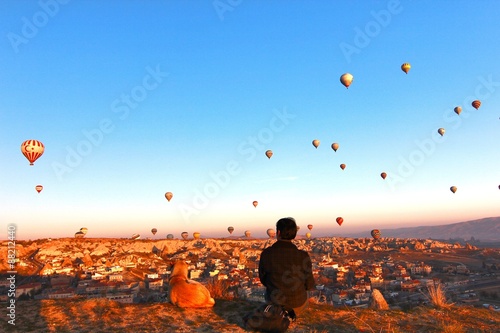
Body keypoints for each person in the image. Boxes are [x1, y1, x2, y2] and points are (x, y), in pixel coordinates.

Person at [258, 217, 316, 318]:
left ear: (278, 232)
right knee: (304, 298)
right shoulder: (303, 256)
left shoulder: (266, 253)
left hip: (274, 303)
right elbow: (309, 284)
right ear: (294, 234)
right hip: (297, 304)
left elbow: (264, 280)